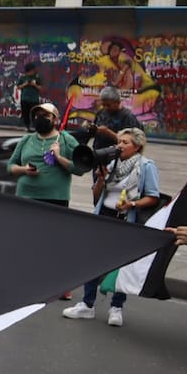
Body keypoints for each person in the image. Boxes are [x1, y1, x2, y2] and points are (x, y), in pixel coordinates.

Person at [63, 128, 160, 328]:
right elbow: (96, 196)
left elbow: (153, 197)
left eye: (125, 142)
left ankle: (116, 307)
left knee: (121, 264)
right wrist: (100, 178)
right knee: (93, 260)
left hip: (126, 219)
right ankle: (87, 304)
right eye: (119, 142)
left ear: (137, 147)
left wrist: (131, 204)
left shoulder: (146, 166)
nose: (120, 145)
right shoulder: (111, 163)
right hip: (104, 216)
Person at [7, 102, 81, 206]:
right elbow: (10, 166)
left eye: (46, 115)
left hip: (55, 199)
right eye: (38, 115)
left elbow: (80, 169)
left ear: (55, 119)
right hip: (25, 196)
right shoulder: (26, 139)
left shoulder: (66, 140)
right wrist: (24, 169)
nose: (40, 118)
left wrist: (59, 158)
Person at [86, 86, 141, 151]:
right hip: (98, 151)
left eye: (108, 105)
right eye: (103, 105)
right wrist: (91, 128)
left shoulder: (127, 117)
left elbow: (131, 141)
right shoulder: (101, 112)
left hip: (117, 152)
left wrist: (108, 132)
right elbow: (94, 133)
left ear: (118, 102)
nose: (105, 107)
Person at [15, 63, 42, 131]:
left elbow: (41, 88)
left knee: (34, 114)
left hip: (34, 99)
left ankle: (35, 127)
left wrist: (34, 85)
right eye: (31, 71)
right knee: (25, 114)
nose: (32, 72)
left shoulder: (37, 78)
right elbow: (18, 87)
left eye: (33, 71)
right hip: (25, 98)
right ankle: (27, 127)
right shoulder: (23, 77)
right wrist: (25, 84)